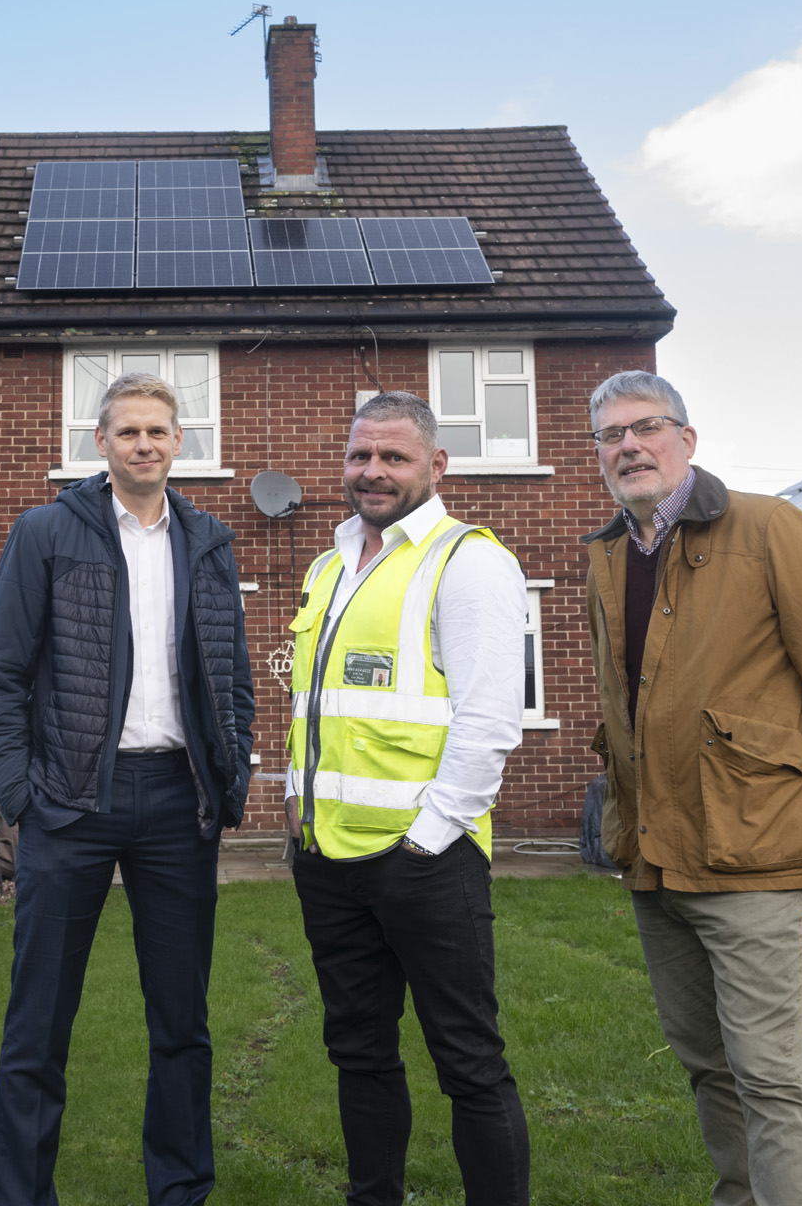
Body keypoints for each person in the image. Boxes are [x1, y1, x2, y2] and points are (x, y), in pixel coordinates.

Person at [581, 370, 802, 1206]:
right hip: (654, 854)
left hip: (753, 850)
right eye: (610, 436)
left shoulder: (769, 527)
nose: (629, 446)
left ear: (687, 439)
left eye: (646, 427)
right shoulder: (609, 551)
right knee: (706, 1062)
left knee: (772, 1072)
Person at [0, 371, 255, 1206]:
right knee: (38, 1026)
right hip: (71, 806)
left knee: (182, 1024)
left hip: (178, 805)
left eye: (159, 432)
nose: (144, 444)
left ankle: (181, 1191)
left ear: (180, 444)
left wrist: (229, 779)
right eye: (128, 431)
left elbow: (232, 677)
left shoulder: (208, 541)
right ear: (100, 442)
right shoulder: (46, 532)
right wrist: (24, 796)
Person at [285, 390, 531, 1206]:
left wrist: (427, 838)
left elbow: (489, 720)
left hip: (425, 860)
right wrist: (297, 815)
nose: (373, 471)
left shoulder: (468, 560)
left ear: (436, 465)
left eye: (393, 457)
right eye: (360, 456)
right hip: (327, 858)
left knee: (468, 1061)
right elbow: (317, 707)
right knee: (358, 1051)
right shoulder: (330, 563)